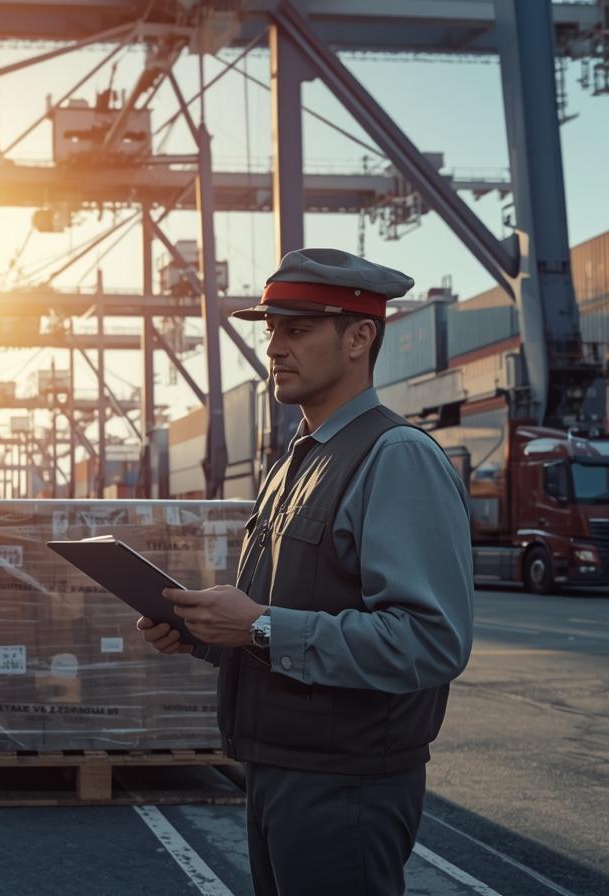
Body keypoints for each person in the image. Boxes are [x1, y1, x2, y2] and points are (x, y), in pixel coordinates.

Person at [137, 248, 473, 896]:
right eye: (271, 332)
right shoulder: (298, 462)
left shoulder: (394, 457)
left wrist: (259, 626)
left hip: (346, 787)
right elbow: (290, 615)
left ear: (359, 337)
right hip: (278, 772)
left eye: (296, 329)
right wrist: (206, 631)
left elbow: (431, 642)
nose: (274, 348)